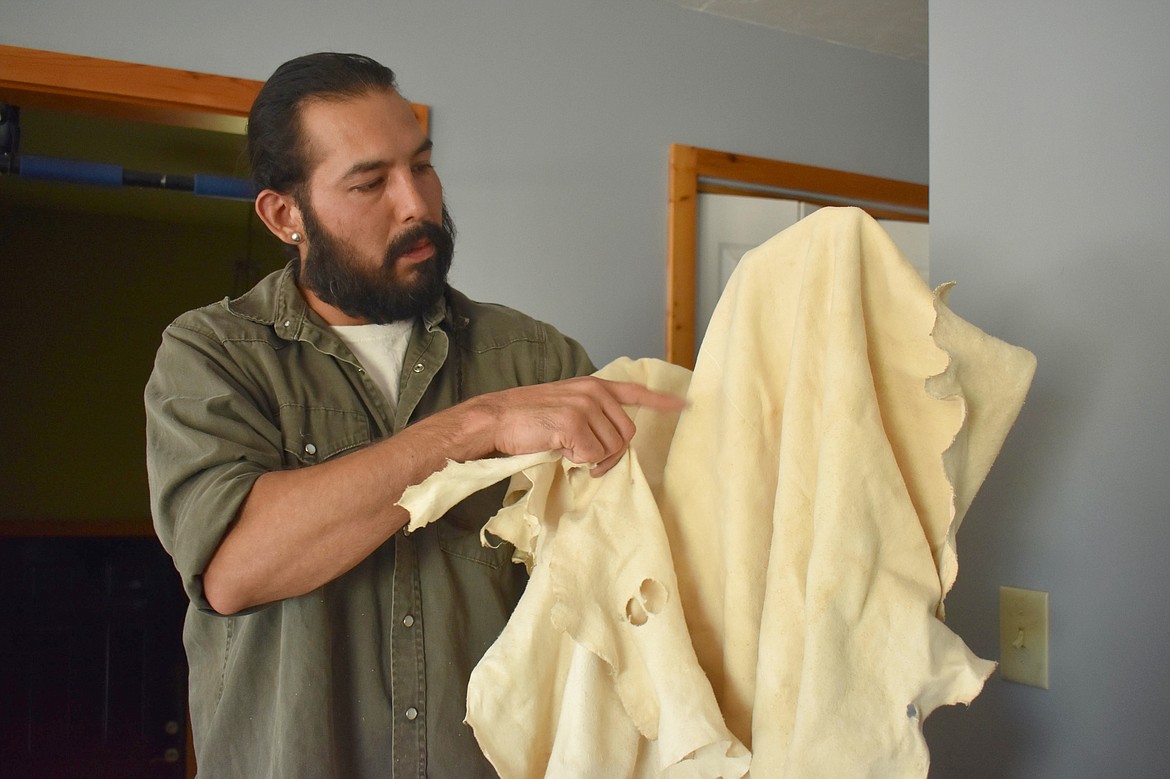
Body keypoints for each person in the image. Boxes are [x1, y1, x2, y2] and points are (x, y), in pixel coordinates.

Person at [144, 52, 682, 777]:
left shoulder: (536, 357)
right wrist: (474, 429)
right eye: (370, 182)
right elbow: (238, 567)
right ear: (284, 215)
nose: (416, 204)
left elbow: (627, 565)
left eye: (422, 165)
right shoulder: (213, 354)